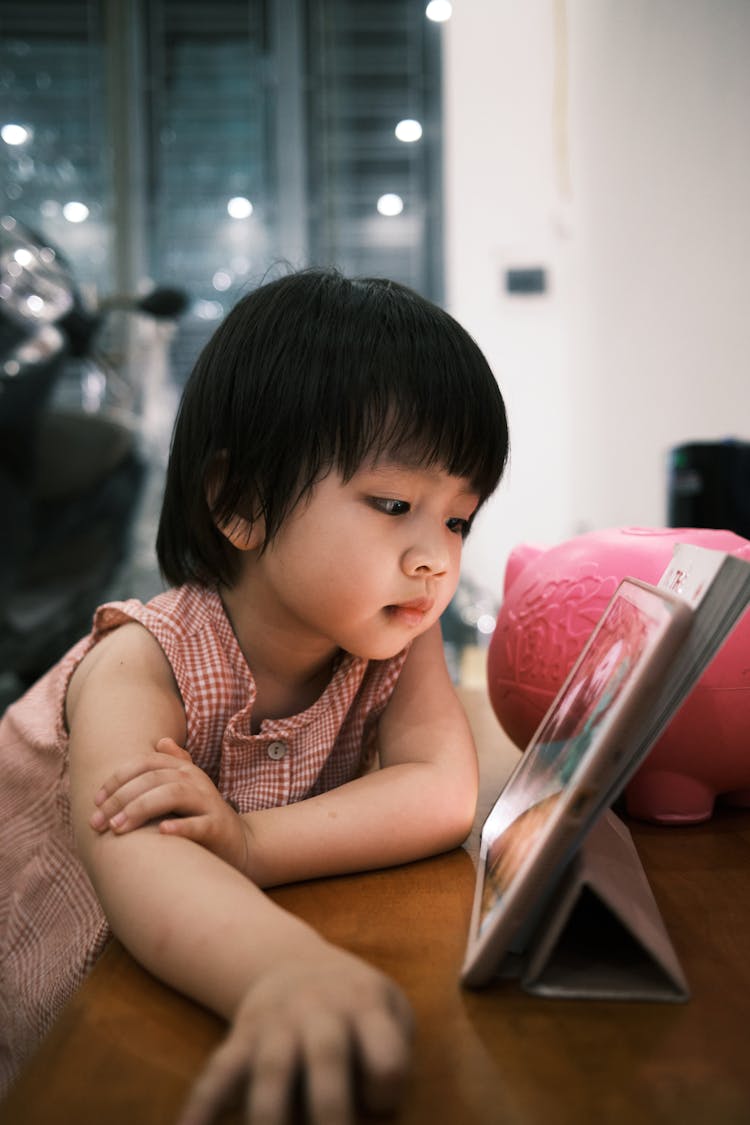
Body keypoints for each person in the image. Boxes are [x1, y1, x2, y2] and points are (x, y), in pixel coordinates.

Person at [0, 268, 509, 1122]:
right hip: (48, 994)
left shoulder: (391, 642)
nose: (436, 558)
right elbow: (141, 850)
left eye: (458, 518)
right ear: (239, 502)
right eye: (395, 503)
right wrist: (284, 968)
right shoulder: (142, 659)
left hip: (180, 970)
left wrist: (249, 842)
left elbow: (441, 790)